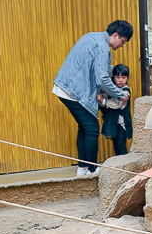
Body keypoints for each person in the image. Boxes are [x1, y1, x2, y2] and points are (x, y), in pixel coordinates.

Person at [53, 20, 132, 177]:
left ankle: (82, 168)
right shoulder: (103, 49)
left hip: (65, 87)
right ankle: (92, 169)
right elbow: (102, 79)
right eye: (123, 42)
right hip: (74, 91)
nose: (121, 46)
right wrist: (119, 93)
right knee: (92, 128)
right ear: (116, 35)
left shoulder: (91, 37)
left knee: (84, 127)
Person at [98, 63, 132, 157]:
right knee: (116, 145)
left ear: (127, 78)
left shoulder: (125, 90)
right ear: (113, 78)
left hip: (122, 123)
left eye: (124, 77)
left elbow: (117, 104)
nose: (121, 80)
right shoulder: (112, 89)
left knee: (121, 145)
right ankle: (119, 166)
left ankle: (124, 165)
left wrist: (103, 101)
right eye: (118, 77)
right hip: (114, 122)